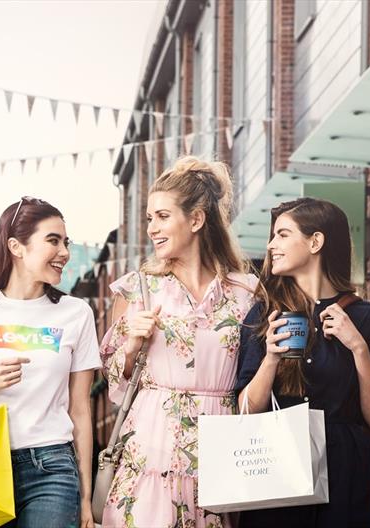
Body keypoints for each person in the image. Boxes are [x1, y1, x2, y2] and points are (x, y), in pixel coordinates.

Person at [99, 156, 257, 527]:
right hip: (151, 447)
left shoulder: (246, 293)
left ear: (197, 219)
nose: (152, 228)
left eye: (162, 216)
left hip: (223, 448)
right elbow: (111, 383)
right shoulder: (138, 287)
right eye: (150, 218)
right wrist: (131, 346)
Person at [235, 197, 370, 527]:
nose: (272, 246)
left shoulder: (368, 319)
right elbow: (244, 410)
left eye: (283, 235)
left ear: (316, 241)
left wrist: (358, 348)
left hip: (345, 472)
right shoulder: (263, 315)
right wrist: (270, 359)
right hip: (277, 466)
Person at [0, 197, 101, 528]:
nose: (65, 253)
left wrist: (85, 498)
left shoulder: (77, 313)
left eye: (66, 242)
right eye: (53, 240)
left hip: (53, 467)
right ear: (16, 246)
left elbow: (81, 411)